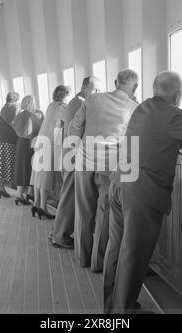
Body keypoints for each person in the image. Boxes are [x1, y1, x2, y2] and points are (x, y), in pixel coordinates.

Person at [103, 71, 182, 314]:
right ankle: (124, 310)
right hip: (140, 192)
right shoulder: (172, 115)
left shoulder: (141, 107)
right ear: (177, 96)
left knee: (116, 248)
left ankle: (111, 306)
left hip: (118, 181)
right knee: (133, 253)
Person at [70, 70, 139, 273]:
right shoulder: (134, 107)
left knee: (83, 209)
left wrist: (76, 149)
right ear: (134, 88)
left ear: (115, 82)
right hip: (110, 167)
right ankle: (97, 263)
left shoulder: (92, 99)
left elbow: (75, 125)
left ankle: (81, 257)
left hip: (83, 162)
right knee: (104, 213)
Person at [50, 76, 101, 249]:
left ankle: (58, 232)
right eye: (94, 89)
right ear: (84, 86)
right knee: (70, 196)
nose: (96, 93)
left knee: (68, 194)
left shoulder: (74, 101)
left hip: (68, 153)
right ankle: (60, 235)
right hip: (74, 154)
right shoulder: (81, 103)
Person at [31, 85, 71, 220]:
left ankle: (36, 203)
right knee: (45, 176)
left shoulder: (50, 105)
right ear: (65, 95)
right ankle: (43, 207)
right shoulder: (63, 107)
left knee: (38, 174)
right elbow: (63, 124)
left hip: (41, 140)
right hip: (51, 142)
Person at [13, 95, 44, 206]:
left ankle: (19, 195)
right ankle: (30, 194)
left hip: (20, 142)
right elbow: (38, 129)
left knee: (21, 169)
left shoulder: (19, 115)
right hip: (29, 144)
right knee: (30, 169)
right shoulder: (32, 116)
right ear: (32, 103)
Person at [0, 92, 20, 198]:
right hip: (8, 140)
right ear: (15, 100)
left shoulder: (4, 108)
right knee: (9, 167)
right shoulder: (13, 108)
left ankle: (2, 189)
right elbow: (14, 124)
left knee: (2, 166)